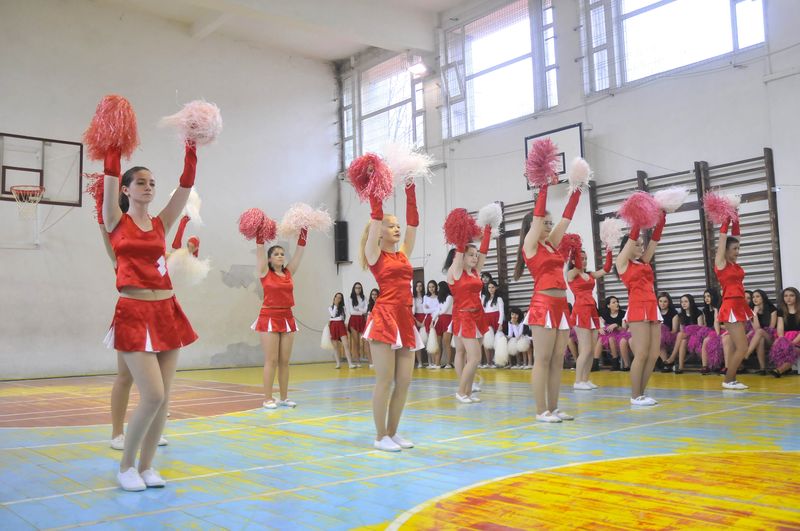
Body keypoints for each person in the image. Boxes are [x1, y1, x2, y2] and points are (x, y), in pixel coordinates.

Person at [101, 143, 198, 491]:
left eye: (152, 182)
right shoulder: (115, 220)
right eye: (140, 182)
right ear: (126, 190)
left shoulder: (161, 223)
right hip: (133, 312)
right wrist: (113, 146)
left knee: (164, 398)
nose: (148, 187)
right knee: (153, 395)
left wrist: (191, 148)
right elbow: (110, 175)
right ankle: (126, 466)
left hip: (167, 311)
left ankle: (146, 467)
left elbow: (184, 188)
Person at [513, 176, 583, 422]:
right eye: (545, 222)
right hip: (542, 305)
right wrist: (543, 186)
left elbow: (566, 219)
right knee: (542, 359)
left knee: (557, 360)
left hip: (561, 306)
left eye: (549, 223)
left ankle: (553, 408)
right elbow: (538, 216)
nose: (549, 226)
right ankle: (541, 410)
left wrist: (577, 190)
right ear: (534, 224)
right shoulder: (530, 245)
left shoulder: (551, 244)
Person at [360, 183, 422, 451]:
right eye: (391, 225)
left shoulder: (403, 253)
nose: (397, 229)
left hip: (405, 317)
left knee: (404, 381)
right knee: (384, 381)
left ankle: (393, 432)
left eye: (397, 225)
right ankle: (379, 436)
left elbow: (413, 224)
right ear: (379, 231)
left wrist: (410, 187)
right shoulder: (374, 254)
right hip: (384, 317)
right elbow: (375, 216)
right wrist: (375, 188)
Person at [615, 206, 667, 406]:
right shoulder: (622, 263)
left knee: (653, 355)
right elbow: (632, 237)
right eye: (636, 245)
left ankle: (641, 394)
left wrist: (662, 218)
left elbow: (654, 240)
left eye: (641, 244)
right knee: (642, 353)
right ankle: (635, 396)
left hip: (652, 307)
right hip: (637, 307)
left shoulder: (644, 261)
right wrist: (637, 219)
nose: (640, 247)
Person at [252, 227, 308, 408]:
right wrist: (259, 233)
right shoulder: (264, 272)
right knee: (272, 360)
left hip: (287, 317)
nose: (280, 256)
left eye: (282, 254)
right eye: (276, 254)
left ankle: (284, 397)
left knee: (285, 361)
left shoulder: (288, 273)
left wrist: (304, 232)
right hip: (269, 316)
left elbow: (299, 254)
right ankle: (267, 398)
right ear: (269, 259)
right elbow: (260, 251)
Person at [712, 215, 751, 389]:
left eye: (738, 248)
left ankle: (732, 379)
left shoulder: (735, 265)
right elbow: (723, 240)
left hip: (740, 306)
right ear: (726, 251)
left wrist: (735, 218)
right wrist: (725, 220)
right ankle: (728, 380)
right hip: (730, 307)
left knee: (738, 346)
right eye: (734, 249)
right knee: (743, 347)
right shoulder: (721, 264)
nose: (737, 251)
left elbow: (736, 236)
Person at [568, 248, 613, 390]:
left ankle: (585, 379)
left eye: (586, 258)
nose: (584, 261)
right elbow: (577, 266)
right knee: (585, 349)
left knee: (592, 350)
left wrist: (609, 250)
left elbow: (606, 269)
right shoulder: (571, 274)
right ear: (574, 260)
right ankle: (577, 381)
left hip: (592, 311)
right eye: (581, 258)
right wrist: (576, 249)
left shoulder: (590, 274)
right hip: (580, 311)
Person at [329, 292, 356, 369]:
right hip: (333, 326)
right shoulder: (330, 307)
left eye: (340, 298)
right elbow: (333, 314)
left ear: (341, 299)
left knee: (346, 345)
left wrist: (333, 319)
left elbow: (342, 318)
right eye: (337, 297)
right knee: (335, 346)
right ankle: (338, 363)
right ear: (334, 298)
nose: (338, 299)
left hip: (341, 325)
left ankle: (350, 363)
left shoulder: (343, 308)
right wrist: (335, 305)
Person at [347, 282, 368, 364]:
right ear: (354, 289)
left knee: (365, 341)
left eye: (359, 288)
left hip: (362, 320)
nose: (358, 289)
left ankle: (370, 360)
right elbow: (351, 312)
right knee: (356, 342)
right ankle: (357, 361)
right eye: (356, 288)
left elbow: (366, 310)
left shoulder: (364, 298)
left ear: (361, 289)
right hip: (353, 320)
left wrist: (358, 309)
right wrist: (362, 312)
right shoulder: (351, 298)